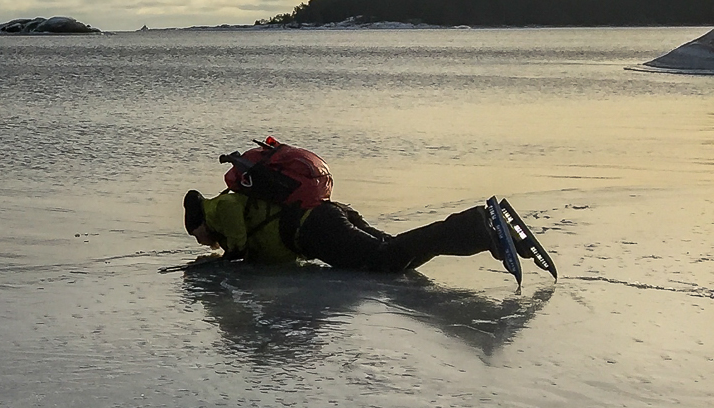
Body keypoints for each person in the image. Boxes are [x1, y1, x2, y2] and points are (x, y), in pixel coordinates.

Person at [183, 137, 556, 284]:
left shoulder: (222, 206)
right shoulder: (242, 198)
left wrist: (230, 257)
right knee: (395, 252)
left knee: (387, 260)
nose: (203, 242)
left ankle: (476, 225)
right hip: (328, 215)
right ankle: (486, 229)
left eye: (197, 234)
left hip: (315, 229)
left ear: (198, 218)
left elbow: (236, 231)